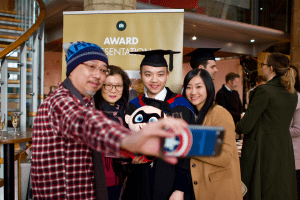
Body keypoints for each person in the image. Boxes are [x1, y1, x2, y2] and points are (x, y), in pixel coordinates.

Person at [31, 41, 188, 199]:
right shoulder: (61, 101)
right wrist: (130, 139)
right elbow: (85, 123)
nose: (98, 75)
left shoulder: (86, 101)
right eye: (91, 66)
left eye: (103, 70)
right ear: (71, 69)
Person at [122, 50, 195, 200]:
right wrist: (129, 157)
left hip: (170, 180)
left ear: (167, 75)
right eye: (148, 74)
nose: (154, 80)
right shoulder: (133, 106)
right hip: (139, 181)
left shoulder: (181, 106)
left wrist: (180, 189)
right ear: (141, 75)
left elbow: (187, 153)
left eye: (160, 74)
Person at [236, 52, 298, 200]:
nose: (262, 67)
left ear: (270, 68)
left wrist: (238, 124)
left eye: (263, 64)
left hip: (263, 149)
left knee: (261, 190)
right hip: (283, 148)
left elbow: (244, 127)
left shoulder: (264, 91)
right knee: (280, 189)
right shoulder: (292, 93)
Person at [182, 69, 243, 200]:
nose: (193, 92)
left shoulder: (219, 113)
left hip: (219, 190)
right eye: (189, 87)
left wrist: (186, 145)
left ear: (209, 88)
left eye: (199, 87)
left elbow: (224, 156)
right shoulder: (193, 115)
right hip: (201, 188)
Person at [93, 65, 131, 200]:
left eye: (118, 86)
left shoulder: (130, 112)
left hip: (122, 177)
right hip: (96, 175)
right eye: (108, 85)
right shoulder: (90, 111)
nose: (113, 90)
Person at [289, 65, 300, 199]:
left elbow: (298, 129)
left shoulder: (297, 98)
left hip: (295, 154)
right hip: (283, 152)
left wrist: (276, 131)